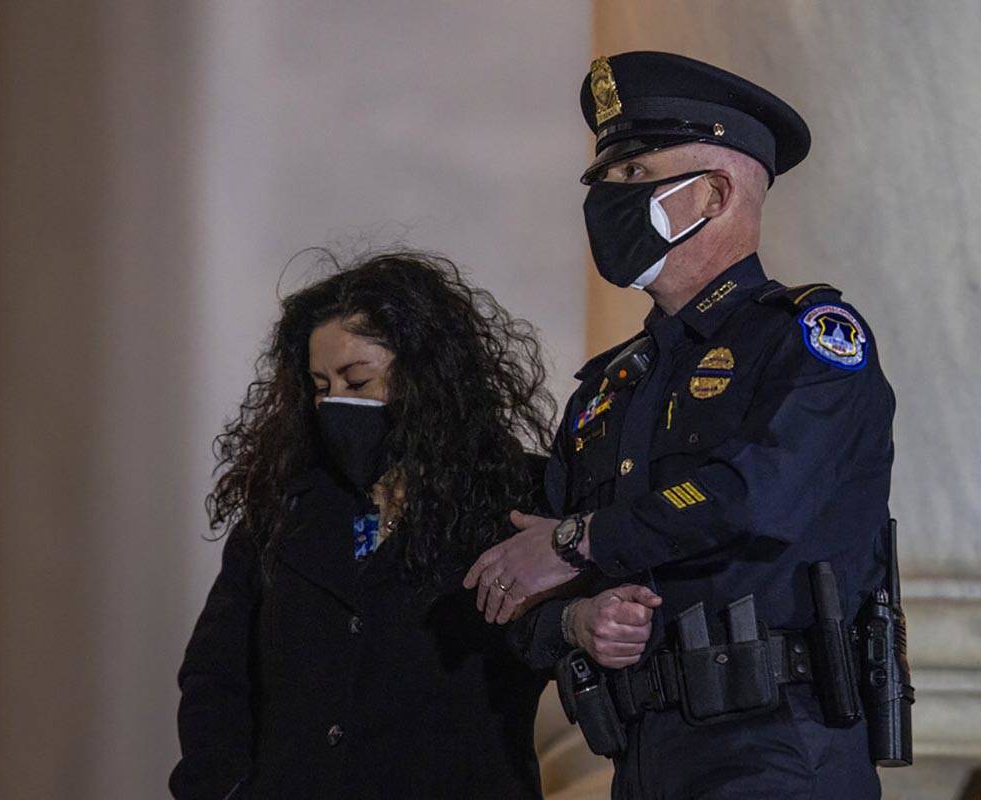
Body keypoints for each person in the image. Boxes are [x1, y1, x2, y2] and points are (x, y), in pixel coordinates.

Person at [464, 52, 896, 798]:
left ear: (716, 193)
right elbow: (531, 584)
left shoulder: (807, 340)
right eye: (606, 178)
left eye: (634, 176)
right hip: (643, 752)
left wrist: (579, 540)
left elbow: (753, 496)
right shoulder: (608, 386)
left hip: (778, 748)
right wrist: (577, 621)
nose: (607, 197)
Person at [170, 251, 560, 799]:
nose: (336, 404)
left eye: (358, 381)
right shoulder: (284, 511)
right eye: (320, 384)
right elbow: (216, 674)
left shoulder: (522, 499)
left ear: (428, 379)